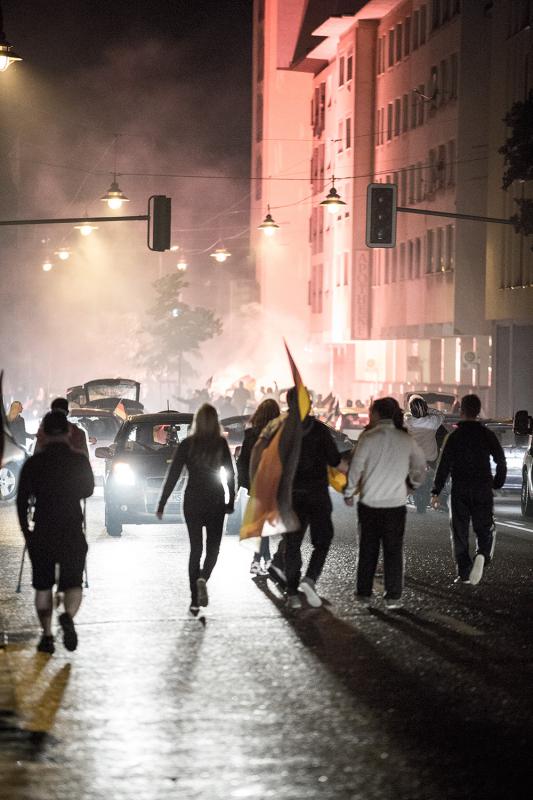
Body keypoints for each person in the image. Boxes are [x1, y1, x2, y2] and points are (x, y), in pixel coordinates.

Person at [16, 411, 94, 654]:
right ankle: (68, 616)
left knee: (43, 586)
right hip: (71, 528)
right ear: (69, 432)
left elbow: (21, 502)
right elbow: (89, 490)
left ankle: (47, 635)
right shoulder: (79, 460)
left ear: (43, 434)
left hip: (43, 530)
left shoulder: (33, 463)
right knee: (73, 584)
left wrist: (27, 533)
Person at [344, 397, 426, 610]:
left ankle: (363, 593)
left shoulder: (368, 438)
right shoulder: (405, 439)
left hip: (370, 503)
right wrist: (412, 485)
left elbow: (356, 468)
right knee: (393, 550)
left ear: (378, 414)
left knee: (367, 549)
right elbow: (420, 465)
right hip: (396, 505)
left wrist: (349, 491)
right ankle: (393, 596)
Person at [157, 403, 235, 616]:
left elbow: (173, 475)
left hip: (193, 499)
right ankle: (204, 577)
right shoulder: (220, 444)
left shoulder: (187, 444)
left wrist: (162, 503)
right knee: (213, 548)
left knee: (196, 549)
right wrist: (231, 500)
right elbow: (230, 474)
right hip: (215, 498)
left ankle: (193, 600)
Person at [270, 388, 345, 610]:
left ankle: (292, 593)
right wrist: (355, 479)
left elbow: (270, 465)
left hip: (291, 495)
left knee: (292, 543)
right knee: (323, 540)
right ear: (308, 402)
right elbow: (335, 460)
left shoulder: (280, 431)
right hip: (317, 495)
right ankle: (310, 578)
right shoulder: (320, 430)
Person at [431, 394, 506, 586]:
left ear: (461, 411)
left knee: (459, 530)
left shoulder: (454, 436)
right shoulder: (487, 435)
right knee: (484, 526)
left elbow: (444, 465)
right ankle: (482, 554)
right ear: (478, 411)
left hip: (460, 489)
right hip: (482, 487)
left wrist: (436, 491)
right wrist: (497, 482)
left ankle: (464, 572)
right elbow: (500, 459)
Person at [236, 398, 281, 576]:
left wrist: (243, 484)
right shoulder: (279, 433)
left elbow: (243, 462)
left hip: (256, 483)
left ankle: (260, 560)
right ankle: (264, 560)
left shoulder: (251, 434)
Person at [404, 395, 445, 513]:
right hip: (431, 457)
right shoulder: (433, 422)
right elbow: (441, 415)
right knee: (437, 475)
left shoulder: (408, 421)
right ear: (425, 408)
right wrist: (429, 410)